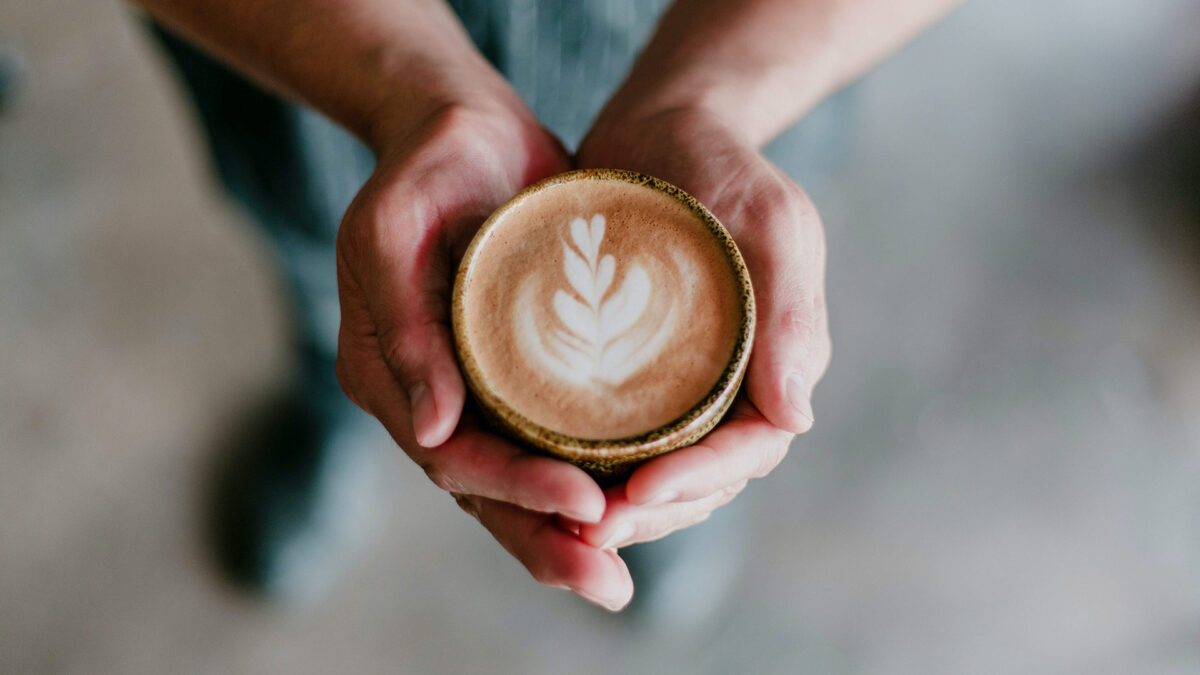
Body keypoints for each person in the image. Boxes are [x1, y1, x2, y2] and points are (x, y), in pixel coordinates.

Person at [135, 0, 959, 612]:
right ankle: (336, 395)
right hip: (315, 60)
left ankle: (665, 472)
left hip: (755, 53)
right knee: (351, 291)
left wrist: (709, 95)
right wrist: (406, 85)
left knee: (724, 304)